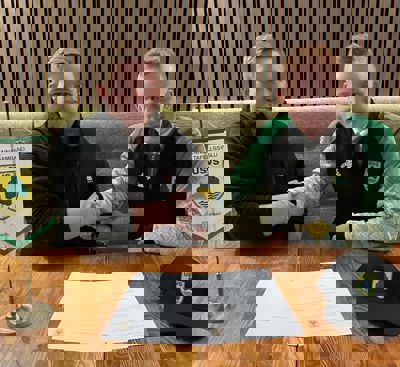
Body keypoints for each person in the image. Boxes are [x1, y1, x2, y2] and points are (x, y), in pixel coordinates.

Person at [85, 48, 208, 247]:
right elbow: (124, 187)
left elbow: (199, 231)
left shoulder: (194, 147)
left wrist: (140, 235)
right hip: (145, 244)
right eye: (143, 102)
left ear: (170, 99)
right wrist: (87, 212)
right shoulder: (139, 139)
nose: (147, 109)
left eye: (154, 99)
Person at [288, 33, 400, 249]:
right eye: (345, 84)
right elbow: (320, 180)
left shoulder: (386, 136)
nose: (349, 91)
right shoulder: (336, 133)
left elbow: (393, 223)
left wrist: (344, 232)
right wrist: (284, 201)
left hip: (374, 246)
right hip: (339, 244)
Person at [20, 48, 109, 249]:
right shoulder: (35, 149)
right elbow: (40, 226)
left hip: (86, 253)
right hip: (50, 258)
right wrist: (92, 214)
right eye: (54, 82)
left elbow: (102, 202)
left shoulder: (90, 147)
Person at [224, 33, 305, 243]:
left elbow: (300, 187)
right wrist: (291, 206)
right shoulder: (235, 137)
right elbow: (231, 211)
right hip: (251, 250)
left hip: (290, 245)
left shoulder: (287, 130)